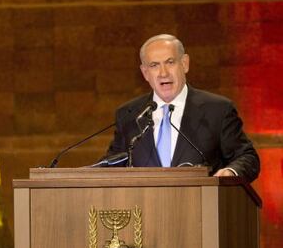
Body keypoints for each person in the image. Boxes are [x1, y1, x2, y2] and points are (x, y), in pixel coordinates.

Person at [106, 34, 260, 182]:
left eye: (170, 62)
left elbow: (247, 157)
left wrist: (231, 172)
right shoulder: (129, 114)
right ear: (145, 73)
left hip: (202, 205)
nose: (163, 73)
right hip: (145, 207)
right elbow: (111, 165)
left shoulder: (218, 110)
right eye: (154, 65)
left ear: (185, 63)